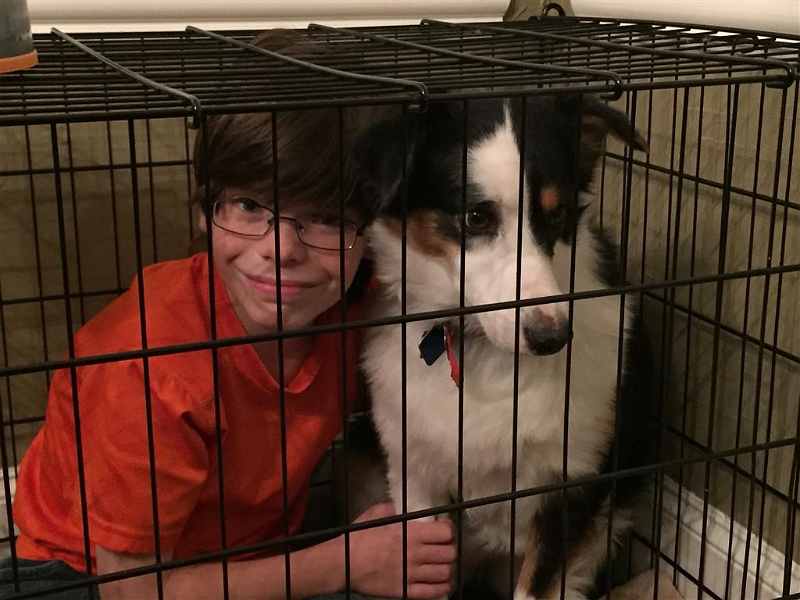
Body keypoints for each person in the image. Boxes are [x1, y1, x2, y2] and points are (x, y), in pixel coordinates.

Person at [1, 31, 456, 600]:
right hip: (85, 576)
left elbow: (443, 334)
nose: (280, 249)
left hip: (250, 553)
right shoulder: (150, 365)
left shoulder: (358, 306)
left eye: (326, 218)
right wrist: (345, 562)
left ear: (370, 233)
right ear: (204, 210)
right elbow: (131, 590)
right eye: (248, 205)